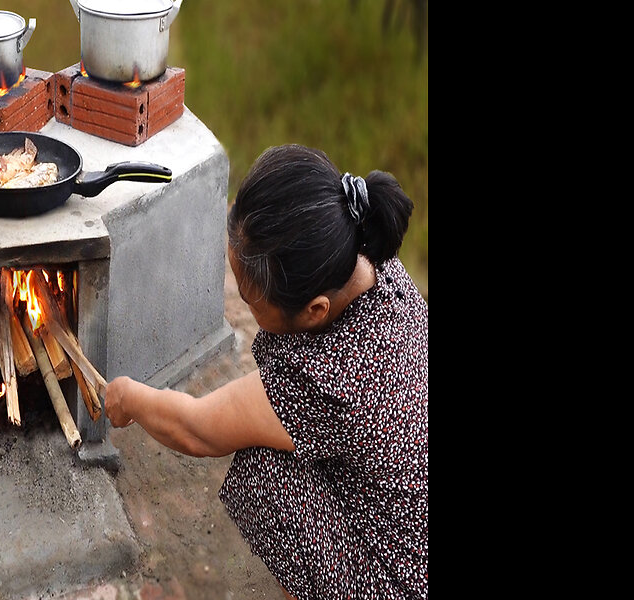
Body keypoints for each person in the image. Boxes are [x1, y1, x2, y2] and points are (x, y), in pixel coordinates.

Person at [104, 144, 427, 600]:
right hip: (407, 512)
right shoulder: (373, 261)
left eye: (250, 299)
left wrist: (130, 398)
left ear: (316, 311)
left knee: (266, 472)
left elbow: (198, 431)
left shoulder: (328, 380)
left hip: (403, 577)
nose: (242, 302)